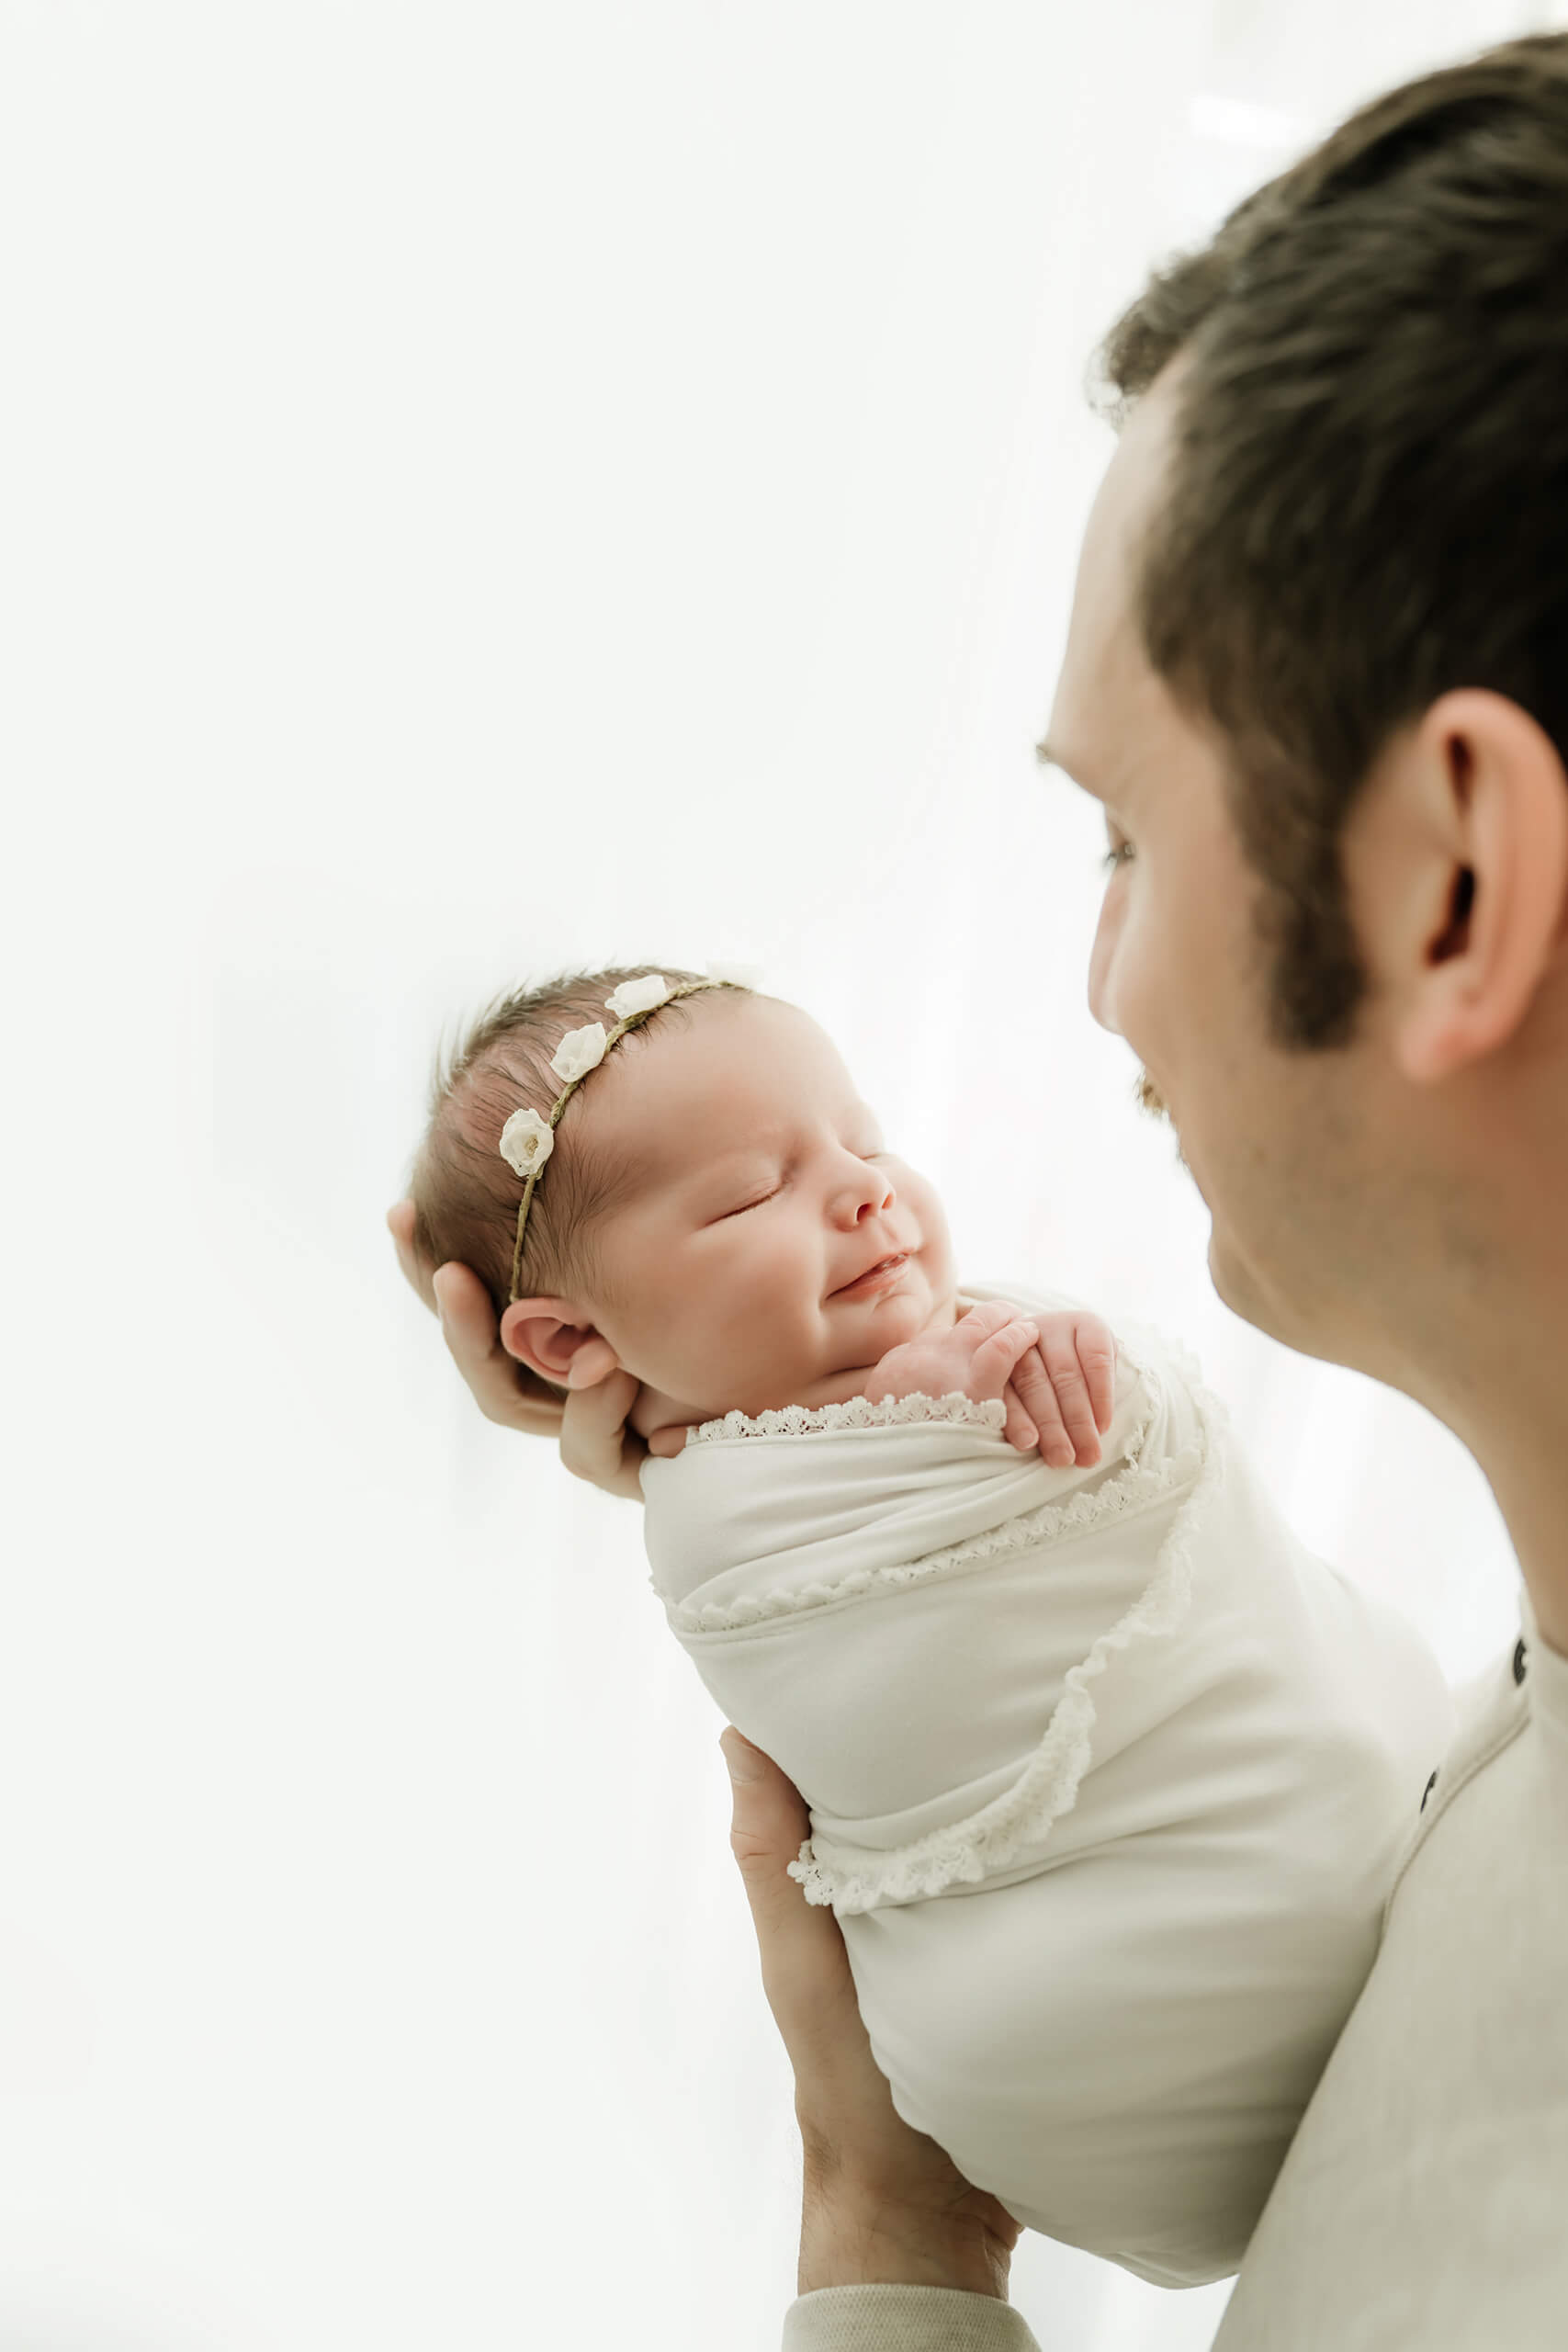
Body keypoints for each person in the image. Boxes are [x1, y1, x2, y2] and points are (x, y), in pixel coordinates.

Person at [389, 28, 1568, 2349]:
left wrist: (881, 2238)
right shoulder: (1490, 1760)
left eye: (1120, 835)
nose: (1099, 986)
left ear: (1450, 888)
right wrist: (827, 1481)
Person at [398, 964, 1450, 2284]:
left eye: (863, 1141)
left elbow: (1061, 1439)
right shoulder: (721, 1522)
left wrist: (1002, 1367)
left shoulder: (867, 1386)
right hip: (1089, 2045)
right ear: (563, 1347)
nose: (863, 1189)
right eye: (749, 1192)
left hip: (1199, 1980)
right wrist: (960, 1389)